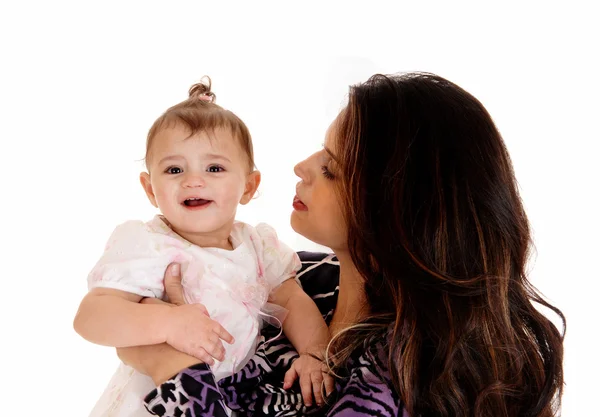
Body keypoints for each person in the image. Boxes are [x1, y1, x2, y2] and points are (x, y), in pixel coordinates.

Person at [117, 72, 566, 417]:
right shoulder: (288, 277)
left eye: (331, 169)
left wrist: (171, 367)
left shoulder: (404, 373)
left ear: (391, 212)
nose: (301, 166)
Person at [73, 77, 331, 417]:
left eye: (214, 168)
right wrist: (167, 323)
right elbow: (91, 317)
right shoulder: (150, 244)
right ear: (150, 189)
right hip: (155, 398)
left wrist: (314, 353)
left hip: (232, 393)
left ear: (249, 186)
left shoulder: (257, 245)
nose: (193, 180)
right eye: (174, 169)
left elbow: (293, 300)